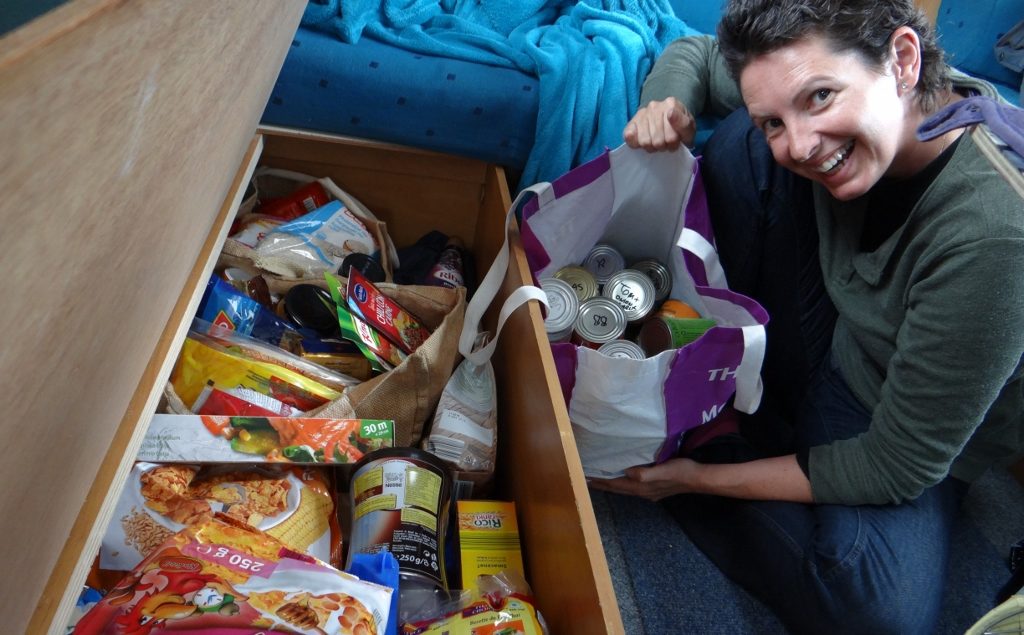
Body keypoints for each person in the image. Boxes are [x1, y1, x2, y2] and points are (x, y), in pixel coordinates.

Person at [589, 0, 1024, 633]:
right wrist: (669, 106)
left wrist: (699, 482)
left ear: (903, 59)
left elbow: (894, 465)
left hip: (893, 423)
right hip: (839, 324)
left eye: (821, 97)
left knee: (877, 613)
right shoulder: (817, 106)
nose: (799, 141)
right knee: (744, 137)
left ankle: (715, 447)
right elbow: (699, 56)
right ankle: (743, 396)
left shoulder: (994, 236)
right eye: (780, 118)